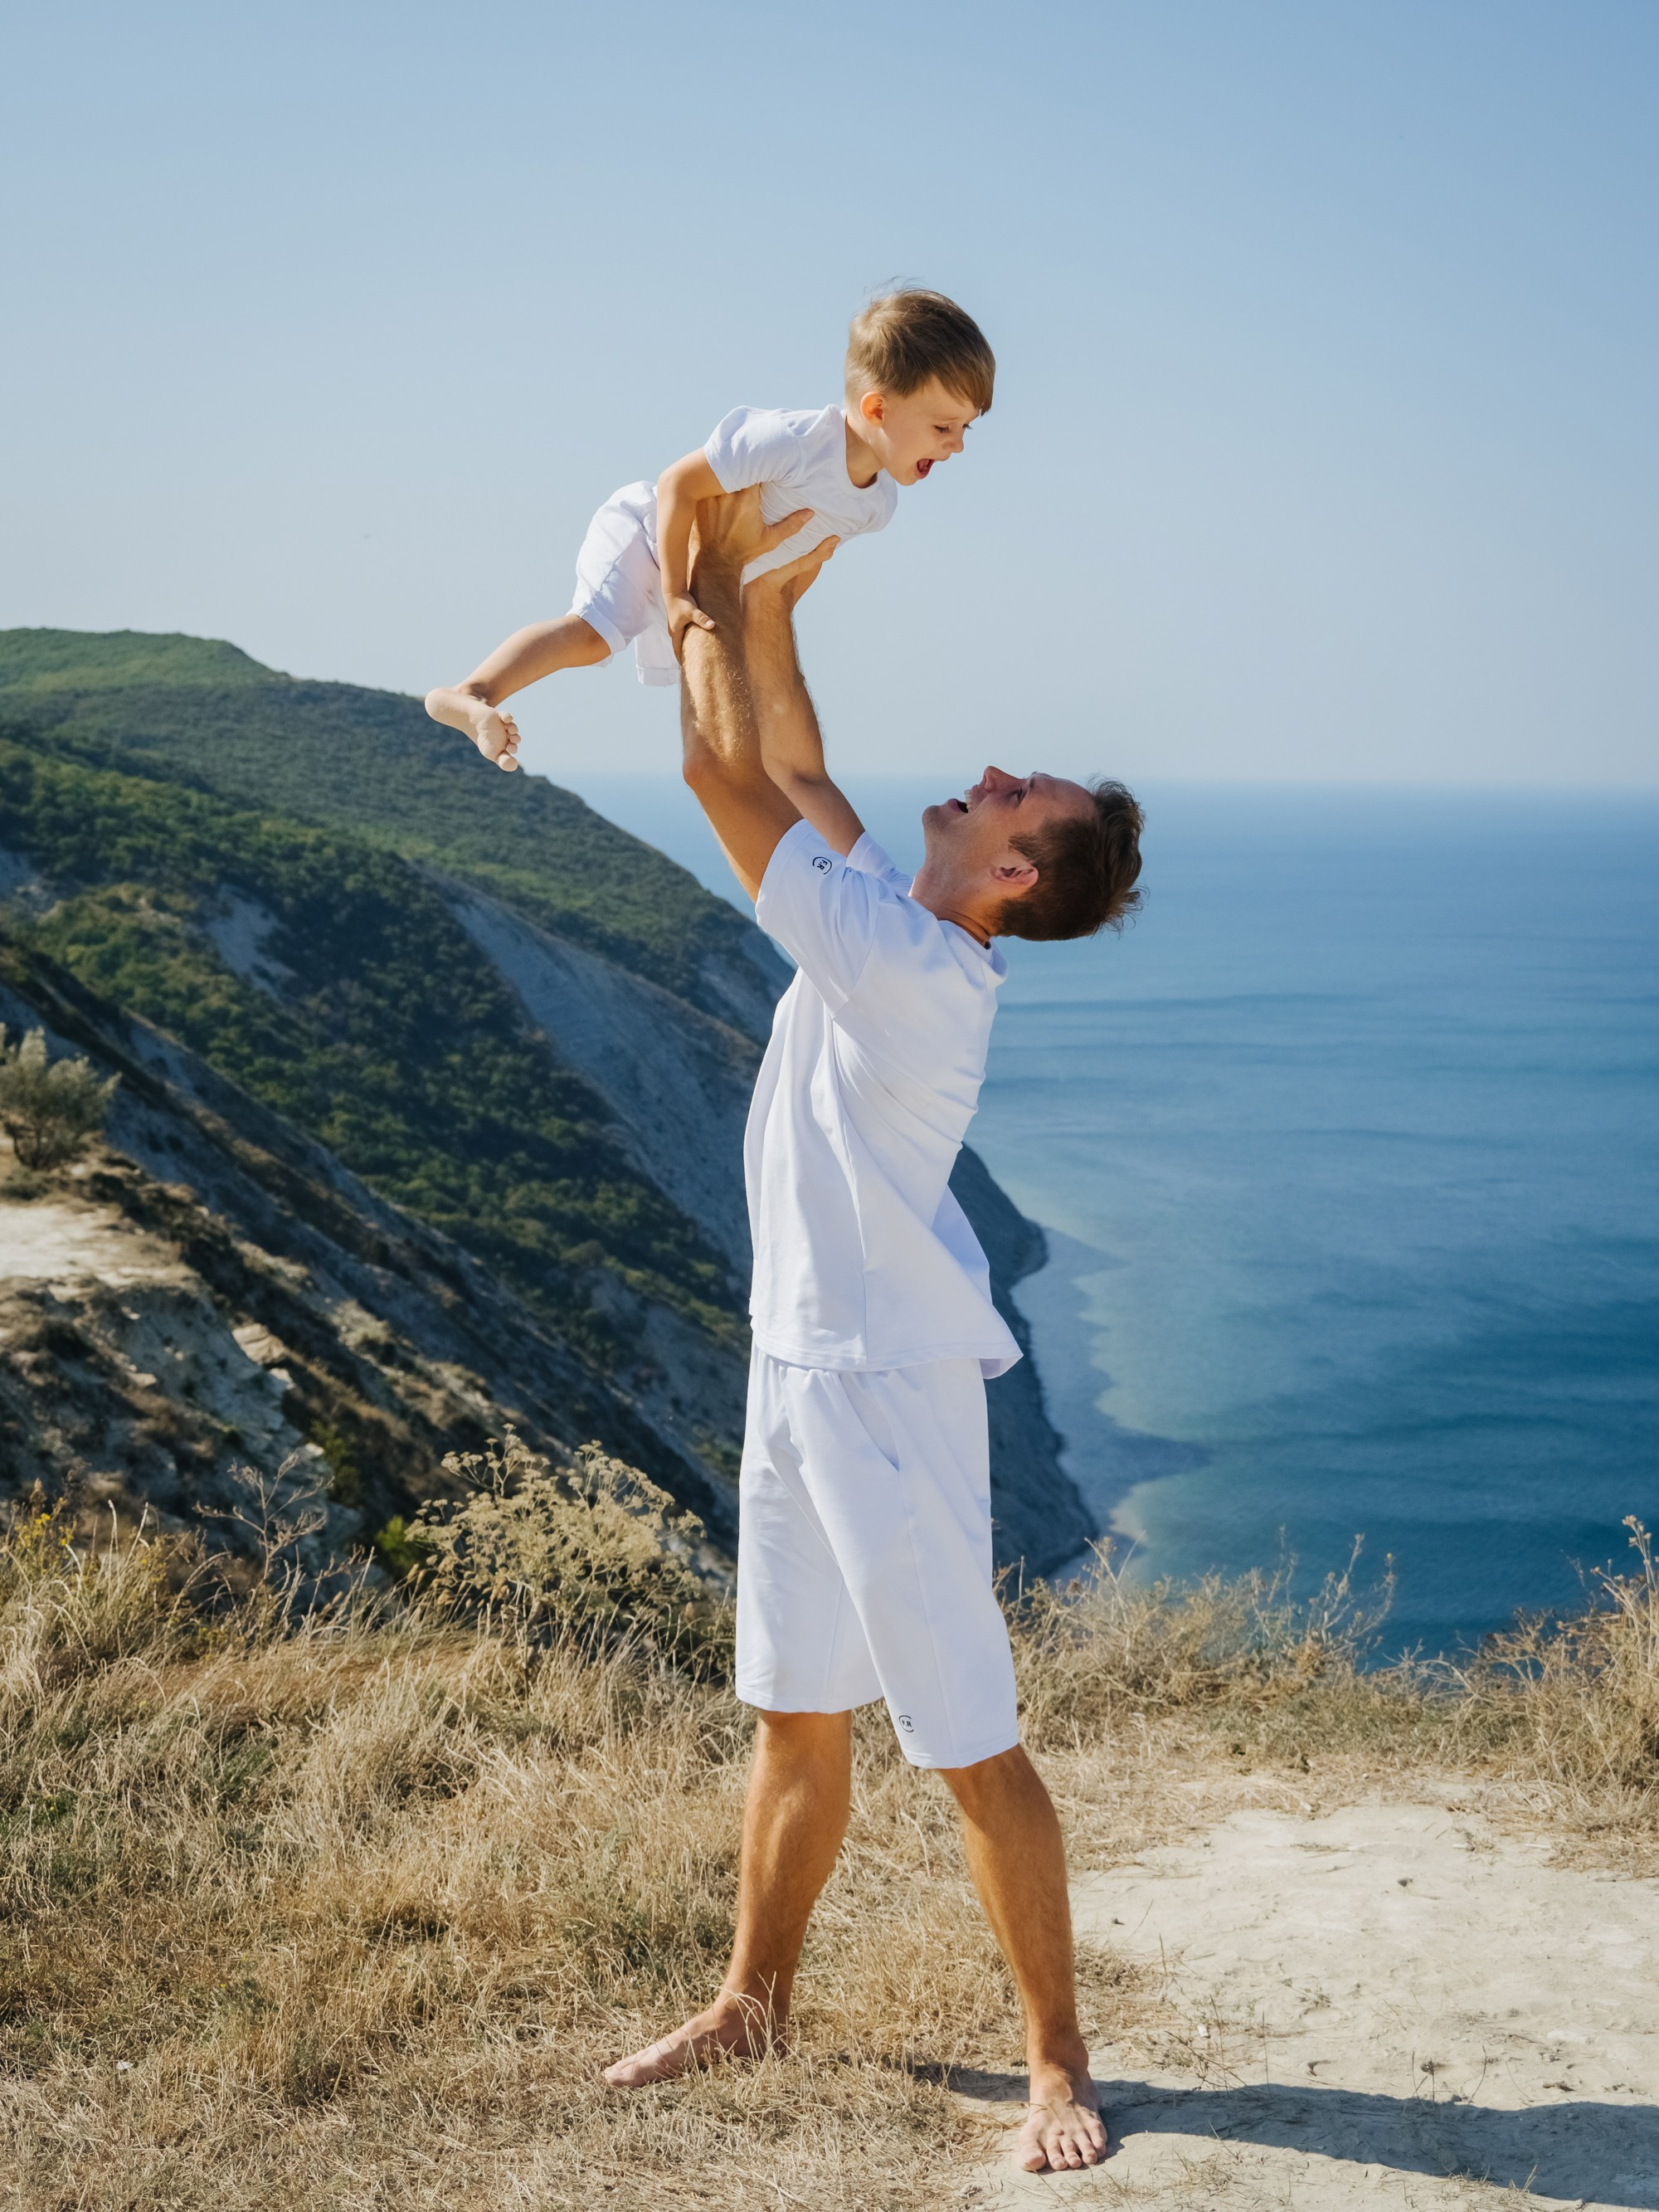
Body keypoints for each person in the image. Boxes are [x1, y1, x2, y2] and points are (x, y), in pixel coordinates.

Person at [601, 484, 1144, 2177]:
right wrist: (772, 610)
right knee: (795, 1714)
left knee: (971, 1745)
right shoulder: (892, 923)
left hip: (891, 1395)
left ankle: (1055, 2063)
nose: (985, 773)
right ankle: (753, 1999)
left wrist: (687, 606)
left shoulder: (909, 971)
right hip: (795, 1366)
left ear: (1009, 870)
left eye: (1010, 794)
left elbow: (719, 777)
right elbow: (801, 768)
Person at [422, 290, 994, 766]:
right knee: (591, 635)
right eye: (944, 427)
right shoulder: (792, 443)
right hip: (653, 538)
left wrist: (758, 635)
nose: (958, 445)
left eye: (967, 428)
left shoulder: (876, 507)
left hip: (710, 585)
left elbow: (798, 570)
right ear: (876, 410)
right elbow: (678, 485)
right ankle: (468, 695)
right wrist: (672, 593)